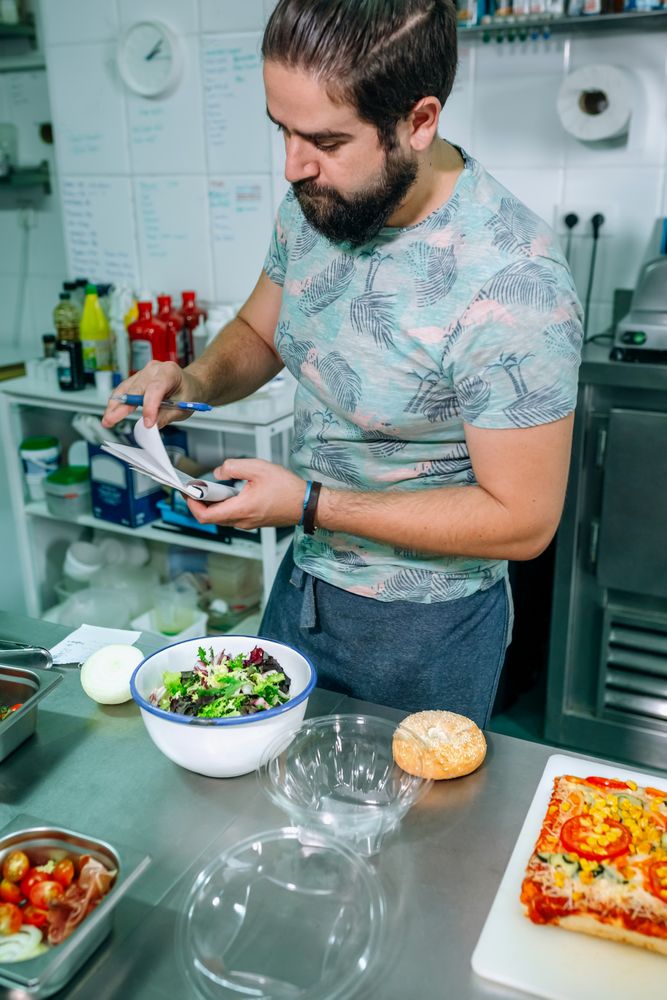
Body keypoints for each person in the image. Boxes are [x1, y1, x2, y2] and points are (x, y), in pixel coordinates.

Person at [103, 0, 583, 728]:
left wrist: (308, 503)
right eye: (283, 131)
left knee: (410, 836)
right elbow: (262, 334)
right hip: (304, 589)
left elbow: (522, 520)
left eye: (324, 138)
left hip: (427, 628)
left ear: (418, 122)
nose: (293, 165)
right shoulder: (319, 199)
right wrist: (191, 379)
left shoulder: (513, 278)